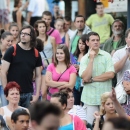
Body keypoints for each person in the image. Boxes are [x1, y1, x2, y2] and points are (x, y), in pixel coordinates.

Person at [1, 25, 42, 108]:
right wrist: (6, 91)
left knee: (27, 119)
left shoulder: (36, 53)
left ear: (32, 37)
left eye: (26, 34)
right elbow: (3, 72)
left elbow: (38, 76)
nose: (23, 35)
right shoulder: (12, 50)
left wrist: (37, 94)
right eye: (22, 33)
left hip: (28, 93)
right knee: (11, 118)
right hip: (13, 92)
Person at [79, 32, 115, 124]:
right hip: (90, 99)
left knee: (108, 126)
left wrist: (92, 79)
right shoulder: (84, 59)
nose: (96, 42)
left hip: (106, 98)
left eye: (97, 40)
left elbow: (110, 74)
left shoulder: (106, 55)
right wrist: (91, 59)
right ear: (87, 43)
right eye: (93, 40)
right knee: (91, 126)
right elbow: (86, 78)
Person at [34, 20, 56, 99]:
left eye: (43, 26)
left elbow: (55, 54)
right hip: (39, 67)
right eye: (40, 27)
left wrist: (55, 66)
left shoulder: (52, 39)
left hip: (49, 67)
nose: (42, 28)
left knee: (45, 92)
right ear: (37, 28)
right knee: (40, 91)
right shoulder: (34, 40)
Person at [71, 34, 89, 105]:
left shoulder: (88, 56)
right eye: (79, 43)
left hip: (84, 83)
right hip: (75, 83)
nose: (81, 45)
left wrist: (80, 67)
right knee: (75, 104)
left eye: (83, 44)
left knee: (84, 104)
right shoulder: (74, 55)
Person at [0, 30, 13, 107]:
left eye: (11, 41)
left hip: (5, 83)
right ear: (2, 39)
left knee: (5, 106)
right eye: (8, 41)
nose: (10, 43)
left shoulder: (11, 52)